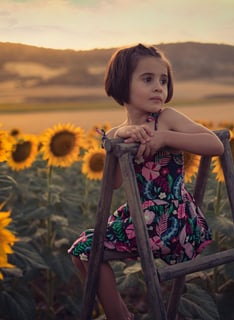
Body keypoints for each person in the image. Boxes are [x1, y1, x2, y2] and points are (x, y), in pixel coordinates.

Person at [68, 43, 224, 320]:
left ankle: (119, 317)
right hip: (140, 218)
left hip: (172, 221)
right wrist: (119, 142)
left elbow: (215, 144)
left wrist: (165, 139)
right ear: (121, 84)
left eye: (163, 81)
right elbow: (114, 183)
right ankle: (121, 314)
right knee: (79, 250)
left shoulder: (167, 119)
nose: (158, 88)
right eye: (147, 79)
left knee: (88, 250)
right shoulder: (118, 132)